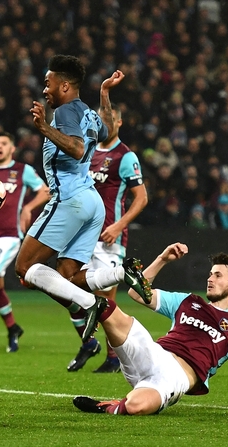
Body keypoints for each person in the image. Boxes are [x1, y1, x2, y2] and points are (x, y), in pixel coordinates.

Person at [15, 54, 151, 346]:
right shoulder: (88, 114)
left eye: (48, 83)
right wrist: (104, 92)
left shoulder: (64, 113)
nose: (44, 90)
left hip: (70, 199)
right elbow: (106, 128)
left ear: (64, 86)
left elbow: (77, 149)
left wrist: (45, 129)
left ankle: (90, 305)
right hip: (93, 203)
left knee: (24, 268)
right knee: (68, 274)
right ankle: (121, 273)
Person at [73, 243, 228, 416]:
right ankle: (79, 297)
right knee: (109, 308)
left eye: (218, 275)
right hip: (153, 353)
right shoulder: (188, 302)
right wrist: (162, 259)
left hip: (175, 377)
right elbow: (136, 293)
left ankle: (108, 407)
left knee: (136, 406)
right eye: (210, 274)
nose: (210, 279)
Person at [69, 109, 149, 373]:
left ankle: (116, 358)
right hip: (81, 236)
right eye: (101, 120)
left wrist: (118, 226)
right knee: (66, 287)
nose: (106, 124)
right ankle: (89, 342)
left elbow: (141, 198)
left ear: (119, 122)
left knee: (104, 298)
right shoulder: (88, 153)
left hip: (108, 239)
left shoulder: (125, 156)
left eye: (110, 120)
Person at [0, 131, 50, 353]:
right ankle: (13, 328)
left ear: (12, 148)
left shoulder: (21, 170)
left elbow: (46, 191)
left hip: (9, 235)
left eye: (4, 143)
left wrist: (27, 208)